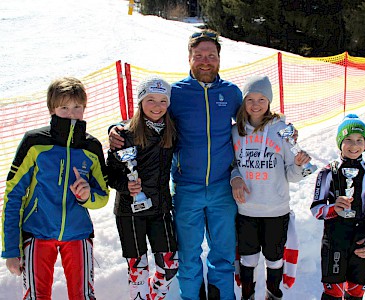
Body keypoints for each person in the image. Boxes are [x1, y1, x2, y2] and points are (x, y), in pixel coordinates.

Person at [109, 29, 242, 299]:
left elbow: (252, 122)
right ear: (189, 58)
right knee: (189, 256)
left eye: (211, 55)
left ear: (219, 59)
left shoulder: (231, 93)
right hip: (186, 189)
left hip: (221, 189)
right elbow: (149, 114)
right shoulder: (177, 93)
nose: (205, 61)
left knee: (223, 255)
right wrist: (116, 128)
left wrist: (281, 129)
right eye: (199, 55)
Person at [1, 77, 110, 299]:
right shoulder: (34, 142)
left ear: (84, 108)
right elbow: (13, 195)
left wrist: (87, 196)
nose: (72, 113)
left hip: (78, 234)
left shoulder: (91, 146)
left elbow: (103, 196)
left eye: (77, 107)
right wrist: (11, 249)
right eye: (64, 108)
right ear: (52, 109)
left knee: (82, 296)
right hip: (37, 232)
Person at [230, 76, 311, 300]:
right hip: (246, 210)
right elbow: (231, 165)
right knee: (248, 259)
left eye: (262, 99)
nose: (255, 104)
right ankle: (248, 296)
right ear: (244, 102)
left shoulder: (282, 130)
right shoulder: (236, 132)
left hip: (276, 210)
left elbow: (291, 176)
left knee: (275, 258)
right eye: (250, 99)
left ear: (270, 101)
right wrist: (235, 178)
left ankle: (272, 295)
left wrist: (297, 165)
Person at [106, 75, 178, 300]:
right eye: (150, 100)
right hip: (130, 211)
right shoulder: (124, 135)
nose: (157, 107)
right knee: (137, 272)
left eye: (162, 101)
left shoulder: (171, 130)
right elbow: (109, 175)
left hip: (160, 208)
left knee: (169, 266)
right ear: (140, 101)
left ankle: (154, 296)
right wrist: (127, 186)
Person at [310, 114, 365, 300]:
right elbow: (316, 210)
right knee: (333, 292)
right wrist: (333, 209)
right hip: (335, 240)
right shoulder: (327, 172)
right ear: (340, 142)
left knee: (356, 292)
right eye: (348, 140)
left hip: (362, 239)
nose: (354, 146)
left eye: (359, 140)